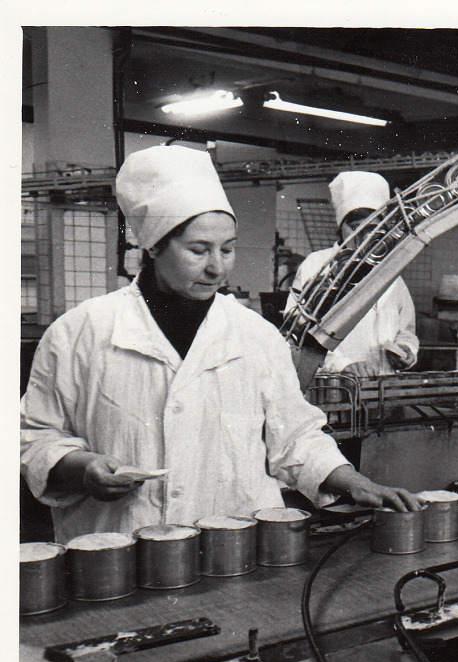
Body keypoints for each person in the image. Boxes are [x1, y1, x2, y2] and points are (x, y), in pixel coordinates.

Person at [21, 145, 420, 543]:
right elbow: (36, 437)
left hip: (235, 549)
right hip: (119, 549)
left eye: (227, 249)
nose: (217, 267)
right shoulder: (80, 333)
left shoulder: (255, 335)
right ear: (154, 246)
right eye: (199, 250)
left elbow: (296, 437)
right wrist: (81, 468)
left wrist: (354, 481)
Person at [289, 171, 420, 376]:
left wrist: (406, 350)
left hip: (382, 383)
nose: (364, 238)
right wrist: (342, 365)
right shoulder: (316, 265)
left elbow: (407, 330)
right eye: (355, 228)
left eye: (373, 229)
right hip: (334, 382)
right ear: (340, 227)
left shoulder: (390, 270)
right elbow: (299, 331)